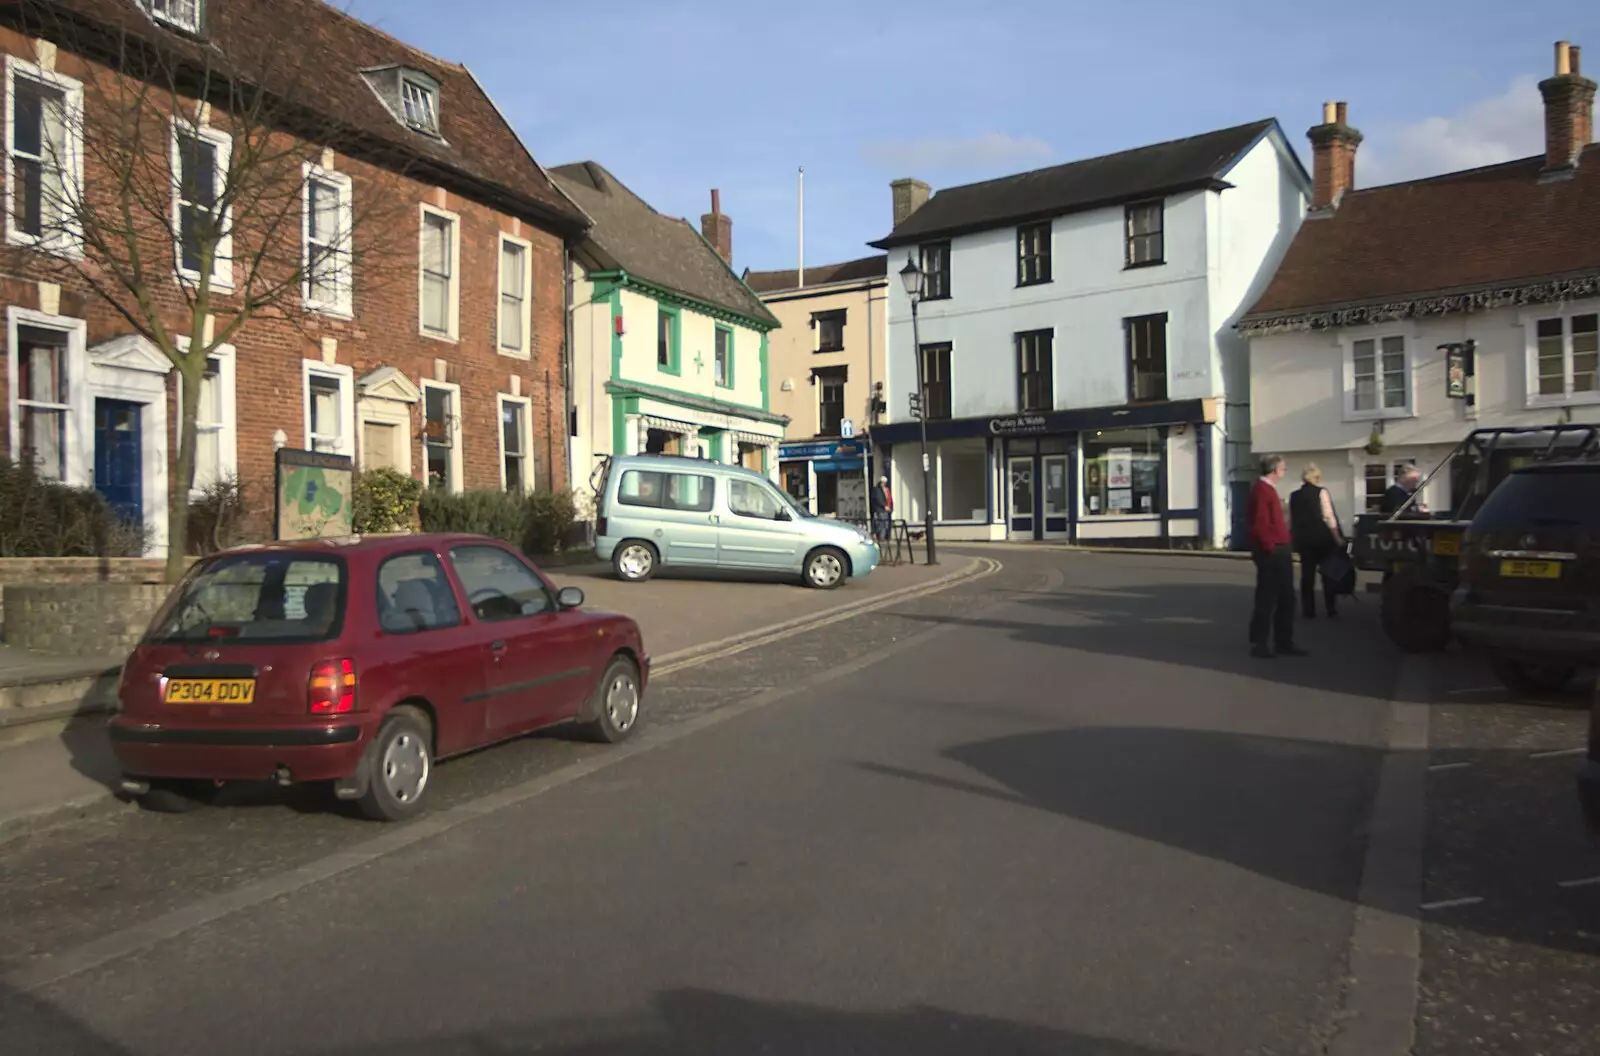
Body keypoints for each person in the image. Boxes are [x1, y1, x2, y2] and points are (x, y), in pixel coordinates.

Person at [1247, 454, 1305, 659]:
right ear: (1274, 470)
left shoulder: (1266, 490)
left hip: (1280, 548)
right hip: (1272, 552)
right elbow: (1259, 524)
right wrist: (1270, 547)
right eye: (1283, 469)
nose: (1283, 472)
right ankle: (1260, 643)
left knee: (1286, 598)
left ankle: (1283, 641)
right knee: (1267, 598)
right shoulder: (1262, 491)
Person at [1290, 463, 1344, 619]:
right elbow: (1329, 517)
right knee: (1328, 575)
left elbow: (1292, 519)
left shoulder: (1294, 496)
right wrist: (1338, 538)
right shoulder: (1321, 492)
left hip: (1304, 540)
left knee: (1307, 576)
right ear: (1317, 477)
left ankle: (1308, 610)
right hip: (1322, 539)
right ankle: (1330, 608)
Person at [870, 475, 893, 541]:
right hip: (880, 510)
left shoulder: (884, 489)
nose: (884, 484)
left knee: (884, 524)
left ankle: (881, 536)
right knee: (881, 523)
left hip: (883, 509)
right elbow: (879, 499)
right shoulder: (877, 490)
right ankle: (880, 536)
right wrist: (884, 506)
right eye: (883, 483)